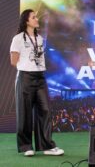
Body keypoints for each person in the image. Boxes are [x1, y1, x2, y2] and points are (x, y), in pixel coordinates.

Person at [10, 9, 64, 157]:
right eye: (34, 17)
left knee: (45, 110)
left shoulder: (39, 38)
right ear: (26, 21)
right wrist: (27, 62)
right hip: (25, 77)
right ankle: (26, 146)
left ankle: (46, 146)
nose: (36, 19)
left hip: (40, 77)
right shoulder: (18, 38)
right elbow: (13, 61)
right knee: (25, 112)